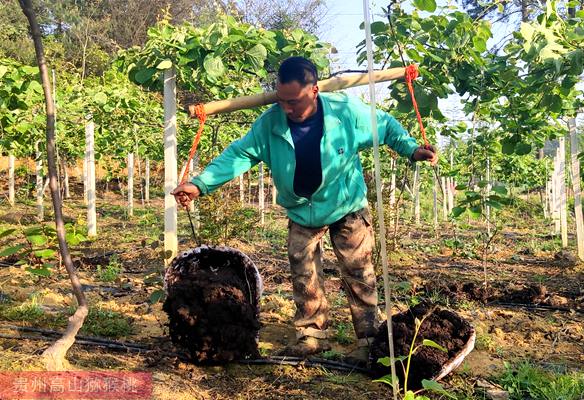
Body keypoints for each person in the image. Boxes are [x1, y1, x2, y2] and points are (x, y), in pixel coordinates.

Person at [172, 56, 437, 365]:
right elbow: (239, 154)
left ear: (314, 91)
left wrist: (411, 148)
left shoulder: (345, 112)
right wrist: (200, 184)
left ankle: (368, 338)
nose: (287, 108)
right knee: (304, 273)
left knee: (359, 271)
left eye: (293, 101)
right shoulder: (271, 123)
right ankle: (311, 335)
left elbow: (387, 126)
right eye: (281, 100)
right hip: (302, 210)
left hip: (346, 204)